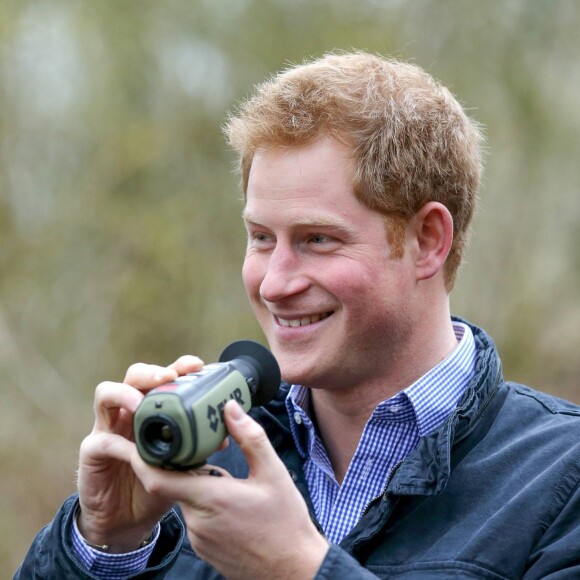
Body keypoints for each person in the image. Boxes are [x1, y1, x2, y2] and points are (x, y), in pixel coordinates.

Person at [16, 52, 580, 579]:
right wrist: (105, 544)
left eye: (317, 239)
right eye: (261, 238)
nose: (276, 282)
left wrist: (299, 566)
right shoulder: (198, 461)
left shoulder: (561, 480)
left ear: (427, 241)